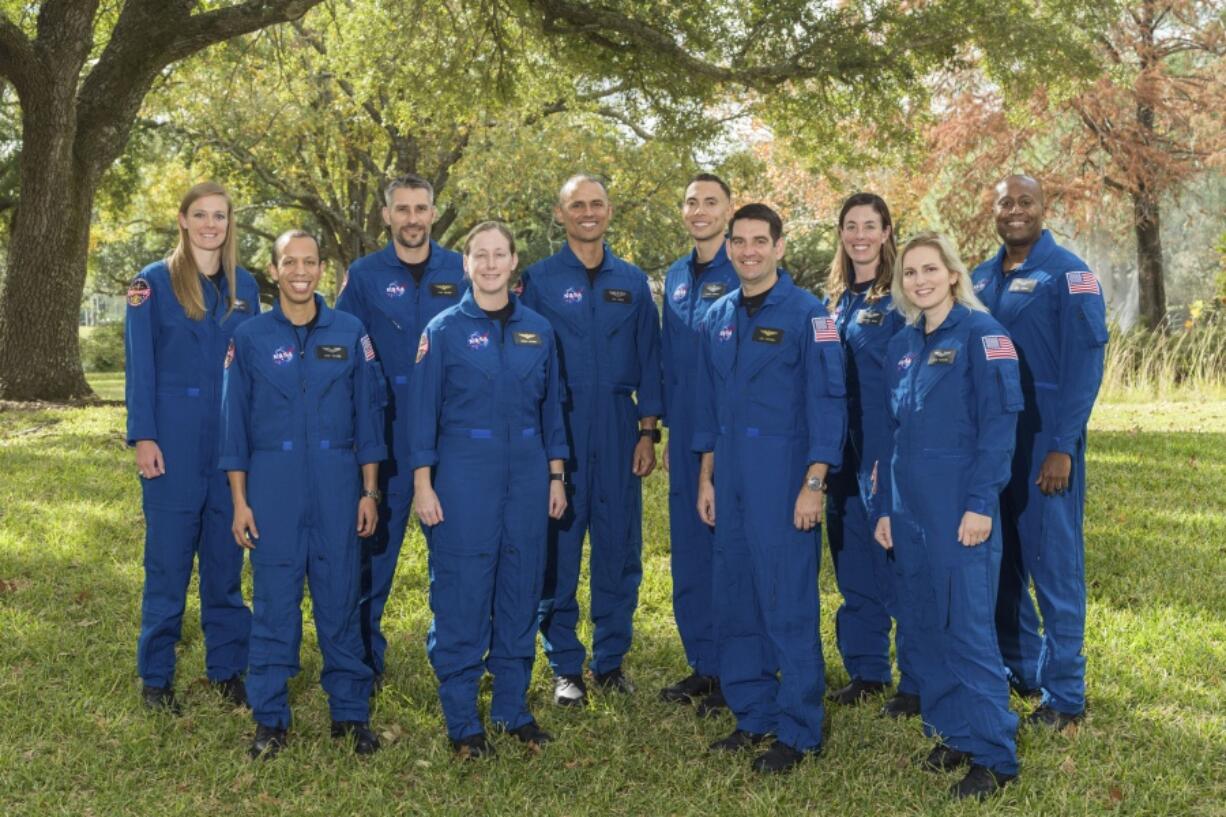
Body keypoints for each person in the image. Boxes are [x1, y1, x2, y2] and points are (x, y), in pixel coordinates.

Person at [219, 230, 386, 759]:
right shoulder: (248, 338)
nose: (300, 271)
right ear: (273, 270)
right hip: (273, 483)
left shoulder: (351, 331)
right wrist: (241, 502)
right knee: (274, 605)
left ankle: (350, 713)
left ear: (321, 270)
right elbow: (234, 429)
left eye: (309, 262)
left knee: (340, 601)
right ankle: (270, 719)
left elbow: (370, 419)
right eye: (289, 261)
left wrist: (369, 492)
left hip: (339, 481)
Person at [693, 203, 846, 774]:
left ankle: (800, 729)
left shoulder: (810, 316)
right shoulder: (719, 316)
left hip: (784, 475)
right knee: (736, 598)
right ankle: (752, 713)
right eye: (740, 241)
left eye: (761, 240)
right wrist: (707, 476)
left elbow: (829, 406)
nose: (749, 251)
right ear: (729, 247)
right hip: (730, 474)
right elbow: (710, 407)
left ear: (780, 248)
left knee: (786, 601)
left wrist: (815, 482)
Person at [409, 221, 569, 758]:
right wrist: (423, 484)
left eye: (500, 254)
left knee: (521, 589)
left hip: (527, 474)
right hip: (462, 474)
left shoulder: (540, 331)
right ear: (466, 264)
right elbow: (421, 415)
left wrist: (555, 475)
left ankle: (511, 710)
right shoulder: (444, 330)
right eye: (482, 255)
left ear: (514, 262)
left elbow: (553, 414)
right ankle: (463, 723)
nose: (492, 263)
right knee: (462, 594)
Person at [873, 231, 1023, 800]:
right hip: (909, 509)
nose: (920, 280)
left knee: (967, 630)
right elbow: (893, 434)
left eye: (930, 270)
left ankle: (994, 754)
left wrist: (981, 504)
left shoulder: (984, 336)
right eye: (910, 273)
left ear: (953, 274)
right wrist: (886, 507)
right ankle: (953, 732)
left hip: (960, 507)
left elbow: (999, 429)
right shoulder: (902, 346)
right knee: (926, 623)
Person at [520, 174, 664, 706]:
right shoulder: (537, 279)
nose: (588, 212)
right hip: (560, 426)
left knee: (618, 548)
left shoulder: (632, 280)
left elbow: (651, 357)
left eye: (596, 204)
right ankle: (565, 666)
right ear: (560, 214)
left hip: (619, 426)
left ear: (609, 211)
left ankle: (610, 660)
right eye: (577, 205)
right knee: (558, 548)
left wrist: (647, 431)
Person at [972, 175, 1108, 728]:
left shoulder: (1070, 276)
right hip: (992, 444)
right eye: (1005, 202)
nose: (1015, 211)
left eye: (1025, 202)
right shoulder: (979, 277)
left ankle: (1066, 697)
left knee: (1054, 570)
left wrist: (1062, 446)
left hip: (1045, 442)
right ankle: (1023, 671)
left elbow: (1085, 367)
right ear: (994, 210)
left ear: (1043, 207)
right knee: (1002, 566)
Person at [125, 181, 259, 714]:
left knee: (226, 567)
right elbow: (140, 366)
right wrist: (144, 436)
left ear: (230, 224)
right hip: (173, 444)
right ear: (182, 220)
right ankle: (156, 679)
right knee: (168, 567)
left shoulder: (244, 286)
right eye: (200, 214)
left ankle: (228, 669)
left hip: (229, 449)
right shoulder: (152, 284)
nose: (211, 224)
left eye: (220, 216)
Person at [335, 173, 466, 687]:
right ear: (387, 215)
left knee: (456, 558)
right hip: (384, 437)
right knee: (372, 557)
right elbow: (345, 352)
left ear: (434, 213)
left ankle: (454, 657)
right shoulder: (364, 276)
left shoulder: (462, 270)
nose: (412, 218)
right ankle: (364, 658)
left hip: (450, 440)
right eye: (402, 209)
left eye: (421, 208)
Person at [821, 193, 918, 718]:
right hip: (839, 451)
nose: (859, 235)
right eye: (850, 226)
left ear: (886, 232)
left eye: (870, 226)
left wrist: (896, 452)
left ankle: (917, 678)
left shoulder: (903, 298)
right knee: (852, 560)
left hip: (884, 446)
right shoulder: (833, 301)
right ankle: (867, 669)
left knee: (895, 564)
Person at [657, 173, 740, 714]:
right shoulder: (674, 277)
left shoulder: (746, 269)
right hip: (685, 430)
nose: (700, 210)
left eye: (711, 201)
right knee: (689, 552)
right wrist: (662, 429)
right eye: (691, 201)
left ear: (730, 211)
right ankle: (705, 665)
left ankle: (741, 668)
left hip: (733, 433)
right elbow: (669, 358)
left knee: (729, 551)